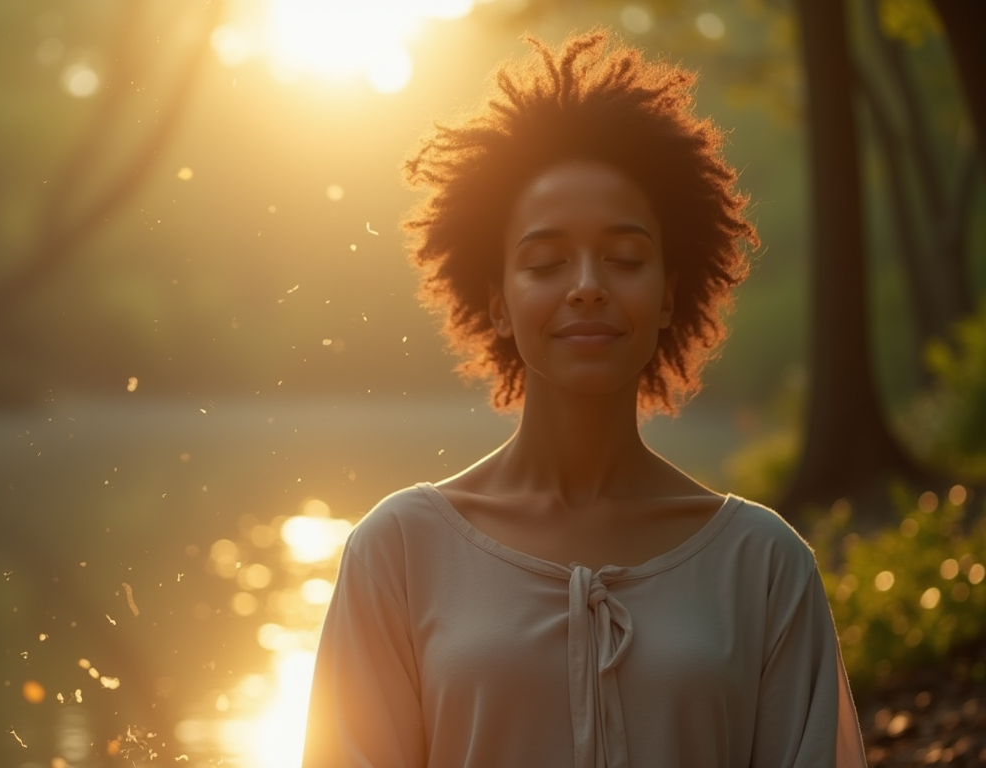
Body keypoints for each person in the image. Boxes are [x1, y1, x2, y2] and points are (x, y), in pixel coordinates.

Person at [300, 32, 867, 767]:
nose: (588, 284)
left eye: (625, 258)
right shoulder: (398, 553)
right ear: (498, 303)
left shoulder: (762, 564)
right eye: (545, 261)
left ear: (669, 295)